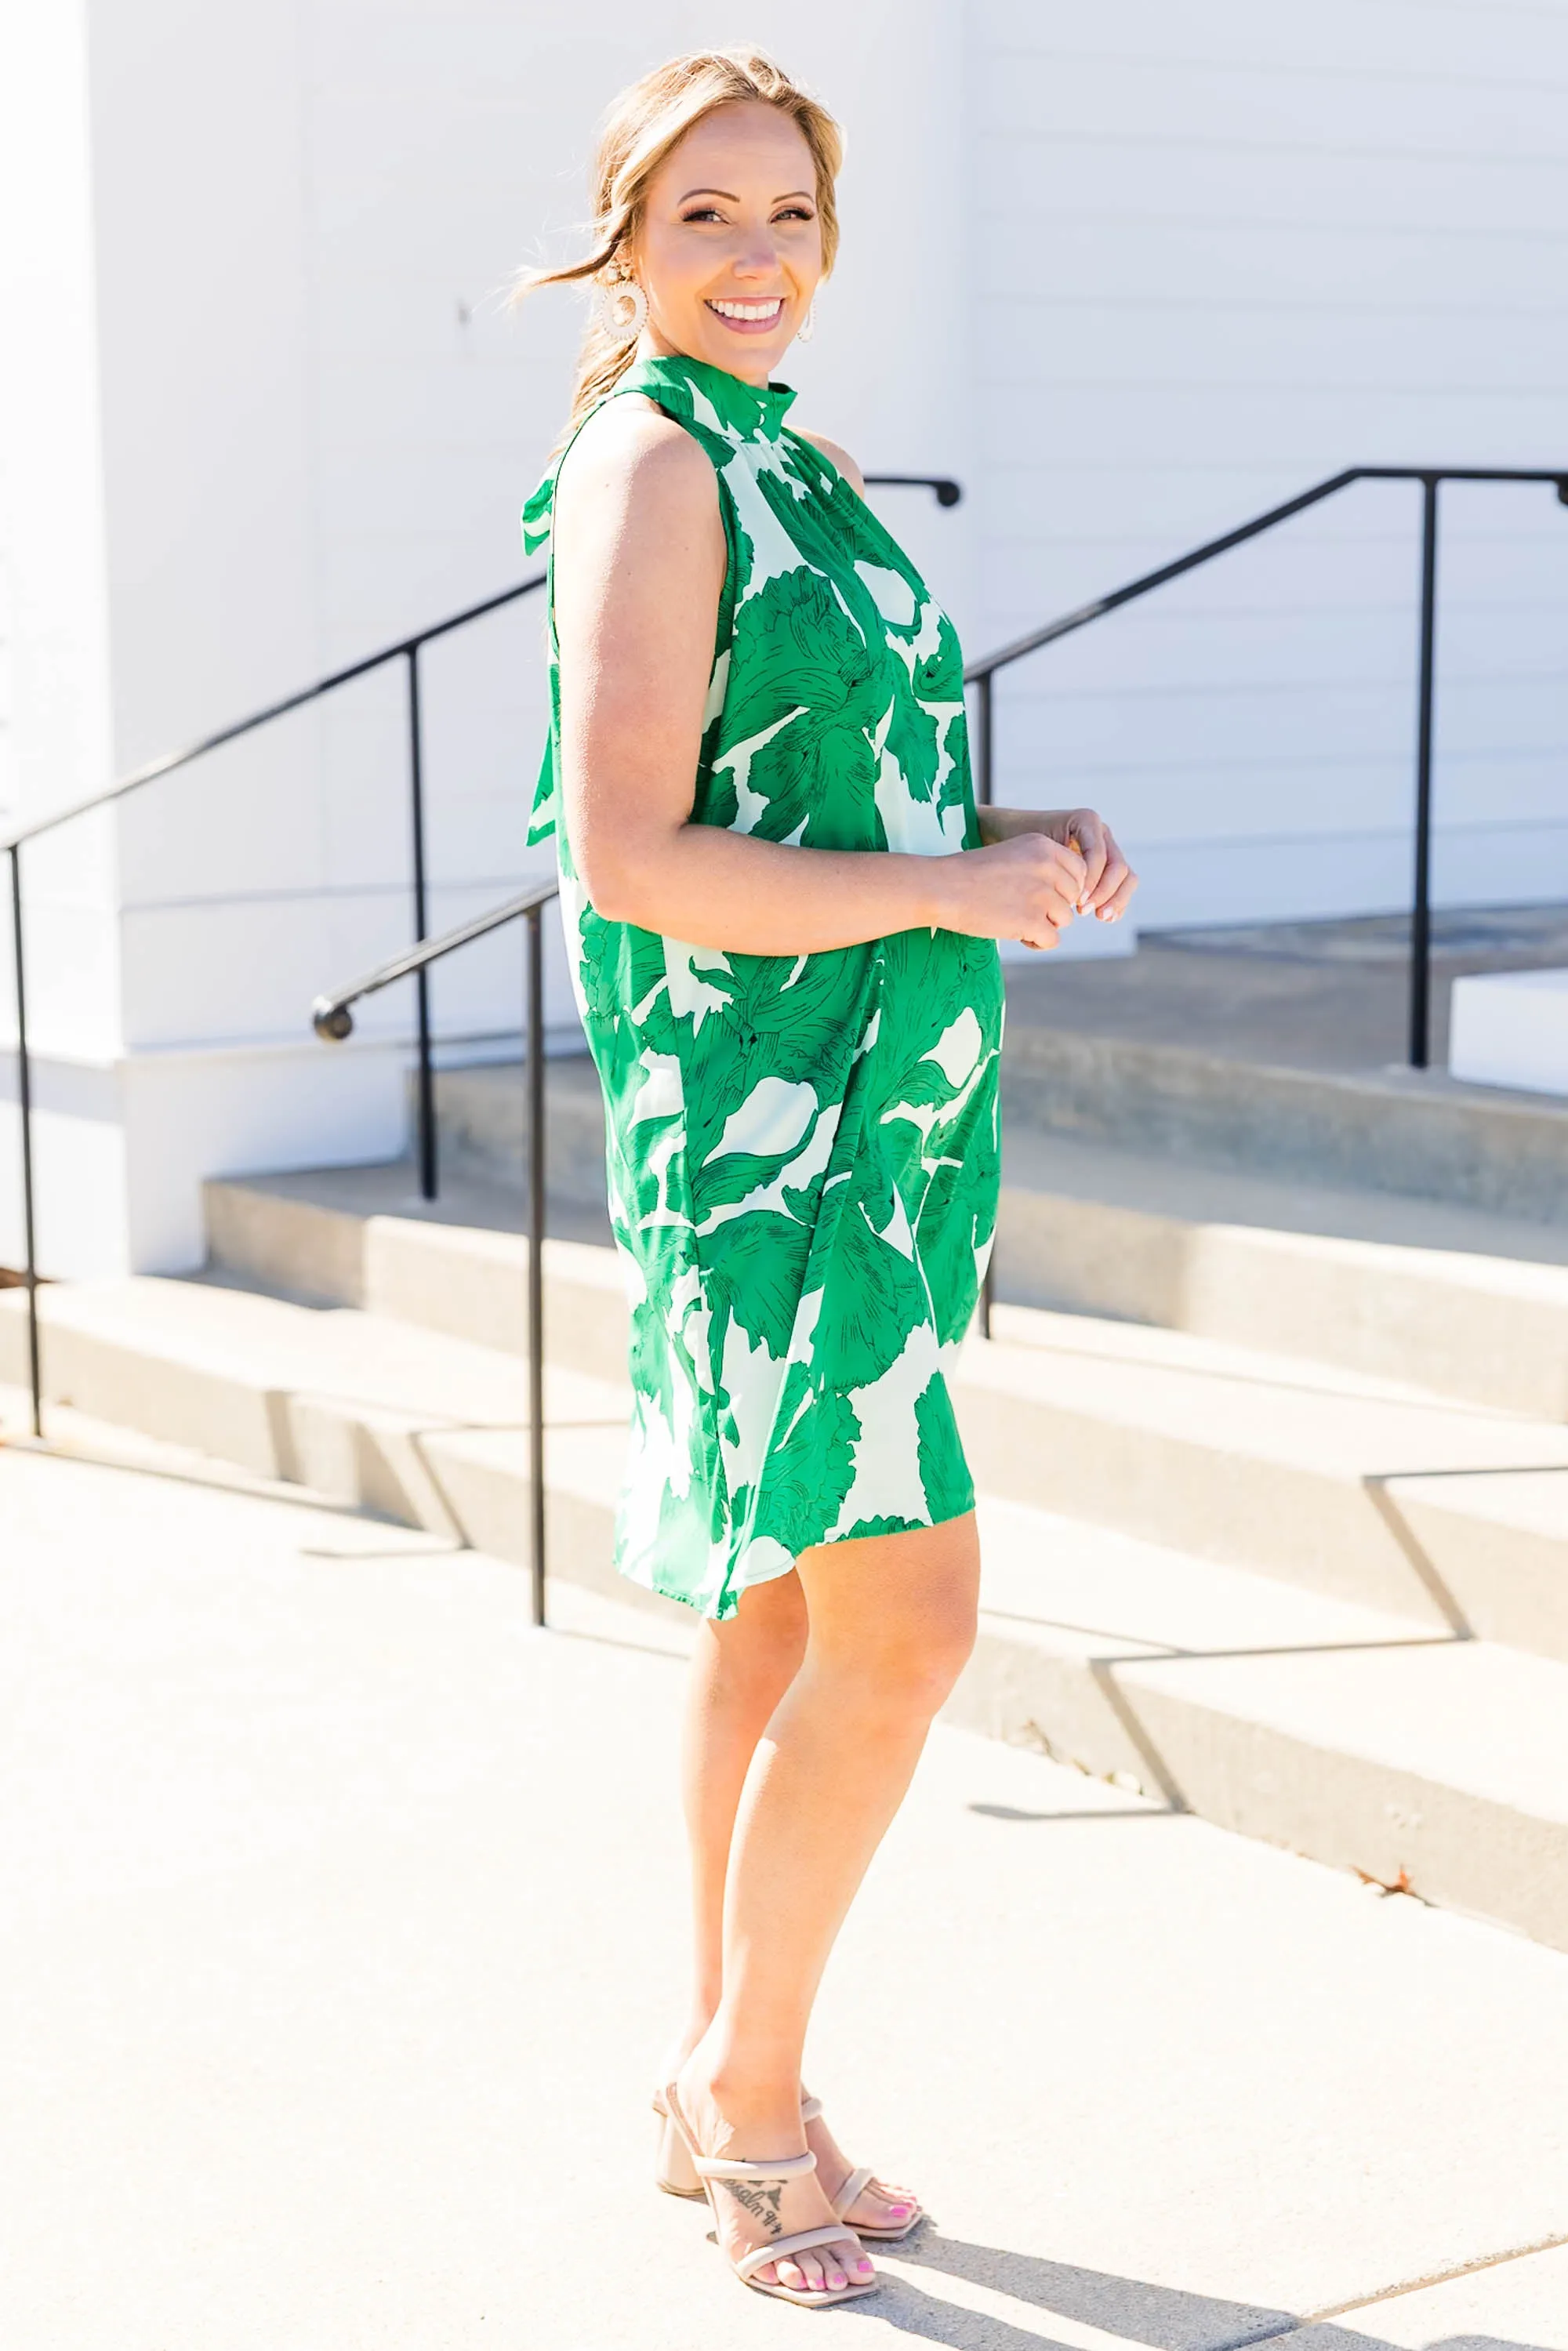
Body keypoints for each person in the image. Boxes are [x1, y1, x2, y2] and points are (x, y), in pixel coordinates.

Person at [517, 46, 1135, 2310]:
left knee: (779, 1610)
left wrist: (1019, 838)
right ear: (626, 240)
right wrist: (945, 892)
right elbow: (632, 854)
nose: (759, 256)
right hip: (774, 1144)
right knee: (913, 1618)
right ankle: (755, 2098)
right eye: (708, 217)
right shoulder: (653, 467)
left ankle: (719, 2071)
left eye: (789, 215)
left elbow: (836, 788)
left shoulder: (794, 458)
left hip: (862, 1105)